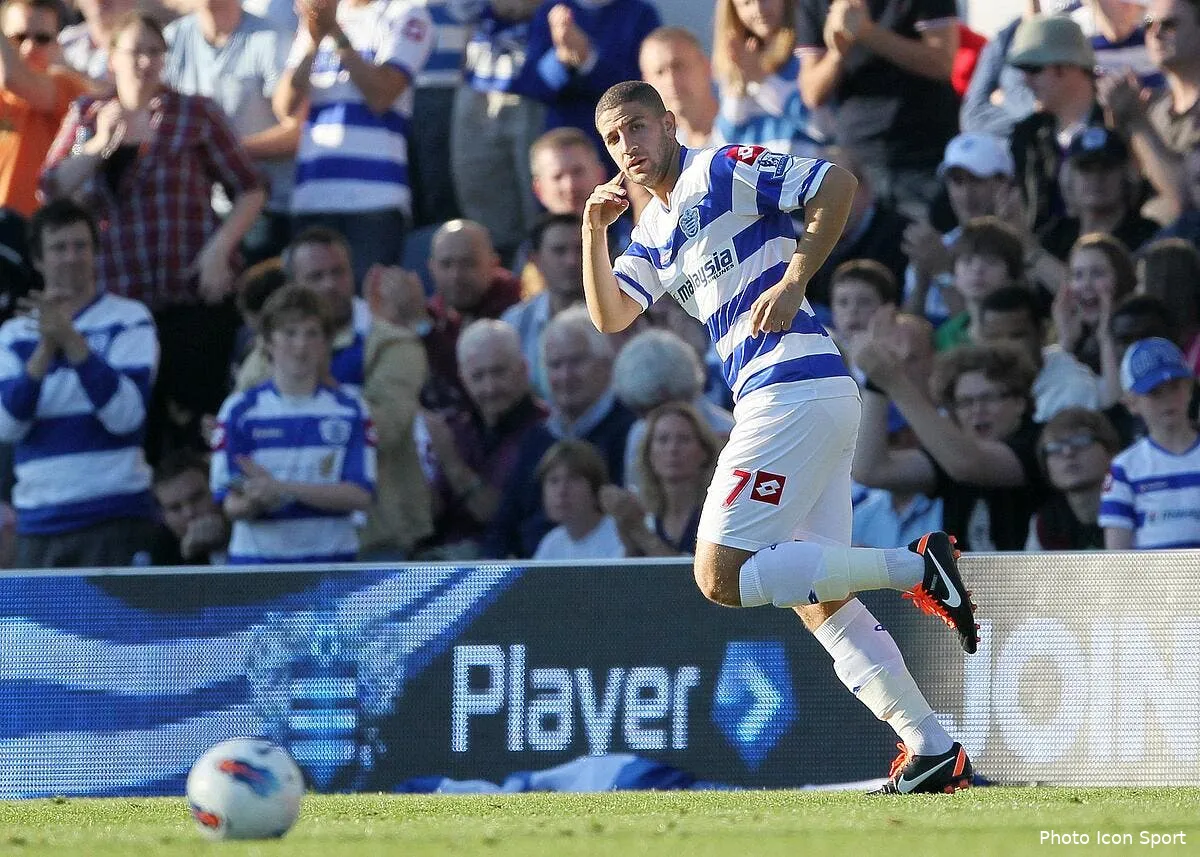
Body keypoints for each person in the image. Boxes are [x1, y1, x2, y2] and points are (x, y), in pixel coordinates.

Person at [583, 79, 978, 794]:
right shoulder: (652, 229)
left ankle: (919, 569)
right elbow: (611, 316)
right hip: (800, 398)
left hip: (790, 390)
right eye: (613, 138)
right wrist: (591, 230)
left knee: (719, 576)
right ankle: (931, 745)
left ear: (669, 123)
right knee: (819, 597)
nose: (627, 146)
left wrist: (797, 276)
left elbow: (836, 183)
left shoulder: (719, 169)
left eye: (637, 127)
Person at [40, 12, 267, 459]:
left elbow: (251, 187)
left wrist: (220, 250)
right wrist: (100, 145)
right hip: (120, 300)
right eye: (135, 52)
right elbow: (52, 188)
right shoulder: (88, 114)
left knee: (195, 426)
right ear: (112, 57)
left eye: (154, 51)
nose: (145, 62)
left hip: (188, 294)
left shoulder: (195, 113)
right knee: (133, 428)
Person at [238, 227, 431, 559]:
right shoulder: (265, 351)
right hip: (288, 541)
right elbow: (245, 425)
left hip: (377, 538)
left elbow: (385, 430)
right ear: (293, 285)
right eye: (316, 276)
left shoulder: (392, 344)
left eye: (338, 272)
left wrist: (311, 385)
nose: (330, 285)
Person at [0, 200, 159, 568]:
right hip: (40, 519)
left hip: (115, 516)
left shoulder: (130, 319)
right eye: (59, 248)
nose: (71, 257)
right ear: (38, 260)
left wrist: (71, 340)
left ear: (96, 253)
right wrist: (46, 347)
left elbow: (126, 417)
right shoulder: (13, 335)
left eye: (81, 246)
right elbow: (7, 425)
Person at [274, 0, 435, 286]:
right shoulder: (319, 17)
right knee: (312, 305)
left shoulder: (408, 15)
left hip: (375, 200)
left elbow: (381, 95)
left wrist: (335, 32)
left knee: (368, 301)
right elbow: (285, 106)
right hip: (312, 195)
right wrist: (314, 41)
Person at [211, 284, 375, 564]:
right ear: (267, 341)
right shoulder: (239, 410)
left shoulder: (351, 408)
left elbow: (360, 495)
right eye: (289, 333)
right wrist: (256, 501)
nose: (301, 346)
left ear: (326, 343)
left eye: (312, 334)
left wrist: (281, 489)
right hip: (256, 568)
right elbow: (230, 504)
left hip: (333, 567)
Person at [796, 0, 961, 216]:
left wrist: (866, 32)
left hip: (923, 156)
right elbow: (812, 93)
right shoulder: (813, 4)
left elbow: (942, 62)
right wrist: (837, 52)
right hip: (857, 161)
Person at [164, 0, 298, 266]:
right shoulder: (173, 38)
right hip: (198, 211)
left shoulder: (270, 39)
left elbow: (296, 132)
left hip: (266, 210)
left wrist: (224, 152)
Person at [420, 318, 546, 558]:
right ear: (463, 378)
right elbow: (428, 517)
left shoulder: (545, 432)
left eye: (499, 372)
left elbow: (500, 516)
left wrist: (452, 463)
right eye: (478, 377)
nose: (490, 388)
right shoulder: (456, 428)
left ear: (524, 369)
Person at [1100, 336, 1200, 548]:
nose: (1168, 399)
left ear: (1190, 388)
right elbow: (1117, 552)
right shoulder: (1124, 468)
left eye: (1175, 386)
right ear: (1131, 403)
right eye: (1154, 393)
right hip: (1152, 571)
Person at [0, 0, 90, 217]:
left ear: (56, 45)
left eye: (42, 38)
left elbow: (13, 79)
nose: (29, 47)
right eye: (18, 38)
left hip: (39, 226)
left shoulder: (67, 86)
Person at [600, 400, 720, 556]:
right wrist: (625, 527)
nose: (672, 449)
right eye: (663, 440)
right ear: (649, 453)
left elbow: (688, 570)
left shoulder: (717, 515)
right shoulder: (644, 515)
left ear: (704, 452)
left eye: (683, 439)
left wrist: (639, 532)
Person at [710, 0, 823, 158]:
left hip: (806, 165)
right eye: (746, 3)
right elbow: (724, 139)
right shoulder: (739, 59)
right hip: (756, 170)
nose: (758, 9)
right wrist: (740, 86)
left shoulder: (806, 53)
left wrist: (761, 81)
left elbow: (822, 127)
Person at [1026, 406, 1120, 551]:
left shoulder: (1137, 509)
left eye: (1081, 441)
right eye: (1055, 447)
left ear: (1110, 452)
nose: (1068, 452)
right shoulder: (1044, 524)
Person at [531, 438, 625, 560]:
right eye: (554, 481)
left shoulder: (620, 536)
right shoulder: (552, 543)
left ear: (595, 487)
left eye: (573, 479)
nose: (562, 490)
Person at [638, 26, 720, 149]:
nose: (671, 81)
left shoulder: (744, 130)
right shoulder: (665, 153)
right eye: (660, 72)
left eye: (678, 66)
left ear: (706, 67)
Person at [150, 448, 231, 565]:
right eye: (175, 508)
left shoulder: (248, 525)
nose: (189, 513)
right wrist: (189, 557)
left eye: (197, 498)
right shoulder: (159, 550)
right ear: (163, 517)